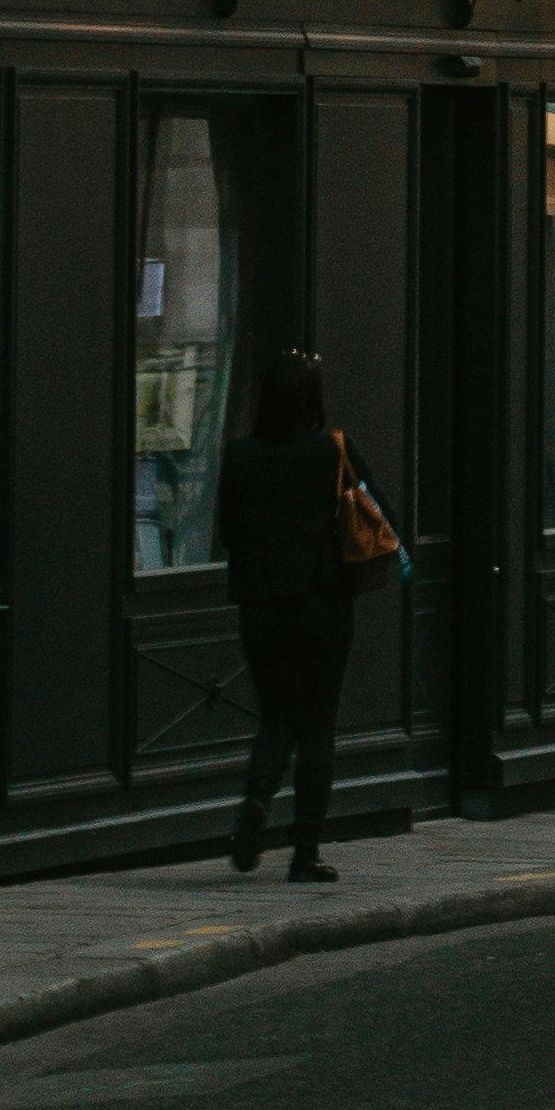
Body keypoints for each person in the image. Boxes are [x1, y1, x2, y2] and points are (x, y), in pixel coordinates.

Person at [218, 343, 378, 881]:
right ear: (314, 399)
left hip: (261, 606)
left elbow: (226, 534)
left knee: (277, 715)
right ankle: (305, 851)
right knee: (318, 727)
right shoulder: (334, 451)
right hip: (323, 603)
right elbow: (381, 518)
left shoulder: (239, 455)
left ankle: (256, 801)